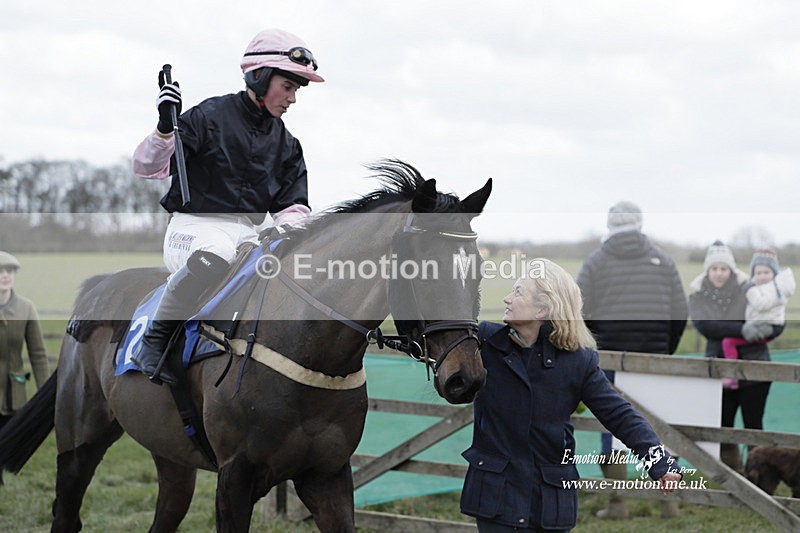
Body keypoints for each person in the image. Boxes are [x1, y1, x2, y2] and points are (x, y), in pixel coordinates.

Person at [130, 29, 324, 385]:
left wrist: (292, 240)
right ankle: (154, 340)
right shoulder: (209, 116)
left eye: (297, 89)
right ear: (259, 76)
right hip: (193, 230)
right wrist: (164, 130)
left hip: (248, 236)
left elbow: (293, 208)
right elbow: (147, 167)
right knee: (217, 253)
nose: (293, 98)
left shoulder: (287, 144)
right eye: (287, 86)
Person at [460, 258, 682, 532]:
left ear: (542, 309)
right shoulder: (483, 342)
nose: (507, 298)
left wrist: (659, 460)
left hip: (550, 504)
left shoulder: (579, 361)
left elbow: (619, 415)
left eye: (518, 292)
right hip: (496, 498)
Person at [576, 200, 688, 519]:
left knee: (611, 426)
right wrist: (665, 349)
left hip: (610, 358)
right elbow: (680, 312)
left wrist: (595, 347)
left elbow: (579, 310)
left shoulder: (596, 261)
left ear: (610, 225)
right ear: (639, 223)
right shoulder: (663, 260)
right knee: (660, 428)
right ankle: (669, 505)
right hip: (655, 359)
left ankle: (618, 505)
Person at [688, 241, 772, 473]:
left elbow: (769, 317)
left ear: (731, 270)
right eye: (714, 268)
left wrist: (767, 329)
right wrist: (742, 329)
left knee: (754, 427)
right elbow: (706, 326)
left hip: (755, 368)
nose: (719, 273)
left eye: (723, 268)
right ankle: (735, 479)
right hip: (719, 371)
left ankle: (758, 477)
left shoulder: (749, 291)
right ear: (707, 270)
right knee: (723, 428)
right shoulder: (698, 297)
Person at [721, 248, 795, 389]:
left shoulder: (774, 290)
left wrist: (750, 290)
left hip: (766, 327)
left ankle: (732, 376)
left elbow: (761, 304)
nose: (762, 276)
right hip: (762, 325)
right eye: (758, 273)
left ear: (774, 273)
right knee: (732, 342)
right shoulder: (766, 287)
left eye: (766, 272)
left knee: (728, 342)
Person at [0, 251, 50, 429]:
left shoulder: (26, 308)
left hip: (14, 398)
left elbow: (38, 355)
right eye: (0, 271)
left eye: (10, 271)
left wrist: (46, 398)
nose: (5, 275)